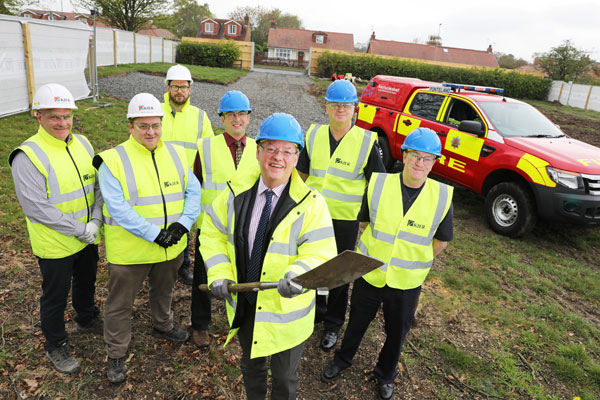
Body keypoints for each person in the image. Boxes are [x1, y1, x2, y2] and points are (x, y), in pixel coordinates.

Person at [201, 113, 337, 399]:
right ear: (258, 151)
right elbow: (212, 232)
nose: (278, 157)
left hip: (287, 315)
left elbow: (320, 251)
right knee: (252, 369)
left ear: (297, 158)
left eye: (288, 151)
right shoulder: (235, 194)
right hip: (247, 304)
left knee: (285, 379)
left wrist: (297, 273)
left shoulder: (313, 204)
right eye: (271, 148)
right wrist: (219, 273)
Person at [320, 127, 454, 400]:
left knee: (397, 333)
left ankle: (385, 374)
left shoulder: (442, 197)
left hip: (406, 282)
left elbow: (441, 241)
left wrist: (414, 261)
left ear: (434, 162)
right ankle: (342, 360)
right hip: (371, 273)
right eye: (415, 155)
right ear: (404, 155)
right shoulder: (379, 184)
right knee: (357, 322)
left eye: (427, 158)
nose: (420, 163)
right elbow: (366, 222)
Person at [94, 93, 201, 384]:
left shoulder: (178, 154)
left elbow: (194, 191)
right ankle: (116, 352)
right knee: (119, 304)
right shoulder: (112, 160)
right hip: (131, 252)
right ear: (130, 126)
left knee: (164, 291)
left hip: (170, 248)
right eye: (143, 126)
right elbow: (117, 208)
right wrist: (155, 234)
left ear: (162, 124)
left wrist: (183, 224)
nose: (150, 132)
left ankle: (162, 326)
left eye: (155, 125)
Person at [9, 83, 103, 374]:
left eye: (67, 116)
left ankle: (86, 318)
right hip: (55, 244)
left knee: (87, 282)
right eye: (54, 117)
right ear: (38, 117)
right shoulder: (28, 155)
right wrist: (80, 228)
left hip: (87, 235)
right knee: (55, 296)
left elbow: (97, 185)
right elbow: (36, 207)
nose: (62, 123)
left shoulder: (83, 143)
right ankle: (55, 343)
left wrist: (96, 221)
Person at [297, 79, 386, 352]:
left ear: (354, 109)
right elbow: (301, 174)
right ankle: (312, 313)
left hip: (345, 221)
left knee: (339, 272)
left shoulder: (366, 142)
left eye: (346, 105)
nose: (340, 110)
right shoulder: (312, 135)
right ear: (326, 107)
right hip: (314, 217)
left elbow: (380, 184)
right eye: (335, 105)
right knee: (312, 265)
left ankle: (333, 323)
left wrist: (366, 216)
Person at [189, 90, 259, 348]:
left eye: (241, 114)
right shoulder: (205, 147)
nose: (236, 119)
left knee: (246, 276)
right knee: (203, 277)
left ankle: (243, 320)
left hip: (246, 227)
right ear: (222, 118)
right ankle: (200, 324)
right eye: (231, 114)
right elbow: (195, 186)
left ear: (249, 118)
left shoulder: (258, 149)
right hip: (211, 228)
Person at [161, 64, 214, 285]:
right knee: (158, 219)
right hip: (156, 178)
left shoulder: (200, 117)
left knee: (184, 222)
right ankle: (155, 265)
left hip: (186, 181)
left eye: (183, 87)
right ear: (167, 87)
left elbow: (209, 150)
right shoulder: (155, 111)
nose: (179, 91)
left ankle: (183, 265)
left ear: (190, 89)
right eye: (175, 87)